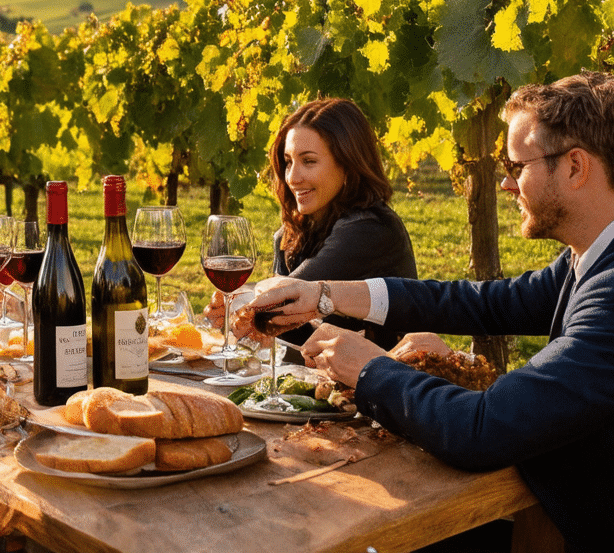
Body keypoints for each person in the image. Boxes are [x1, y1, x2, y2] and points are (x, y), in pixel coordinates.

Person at [243, 71, 614, 553]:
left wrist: (369, 369)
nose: (505, 183)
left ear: (576, 167)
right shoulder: (587, 257)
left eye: (516, 166)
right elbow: (482, 303)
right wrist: (325, 294)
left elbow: (482, 429)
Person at [207, 98, 417, 350]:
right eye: (288, 162)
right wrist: (236, 314)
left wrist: (238, 304)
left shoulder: (371, 229)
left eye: (309, 161)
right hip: (317, 378)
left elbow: (283, 299)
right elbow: (286, 330)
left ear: (348, 164)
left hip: (381, 382)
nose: (293, 177)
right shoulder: (291, 233)